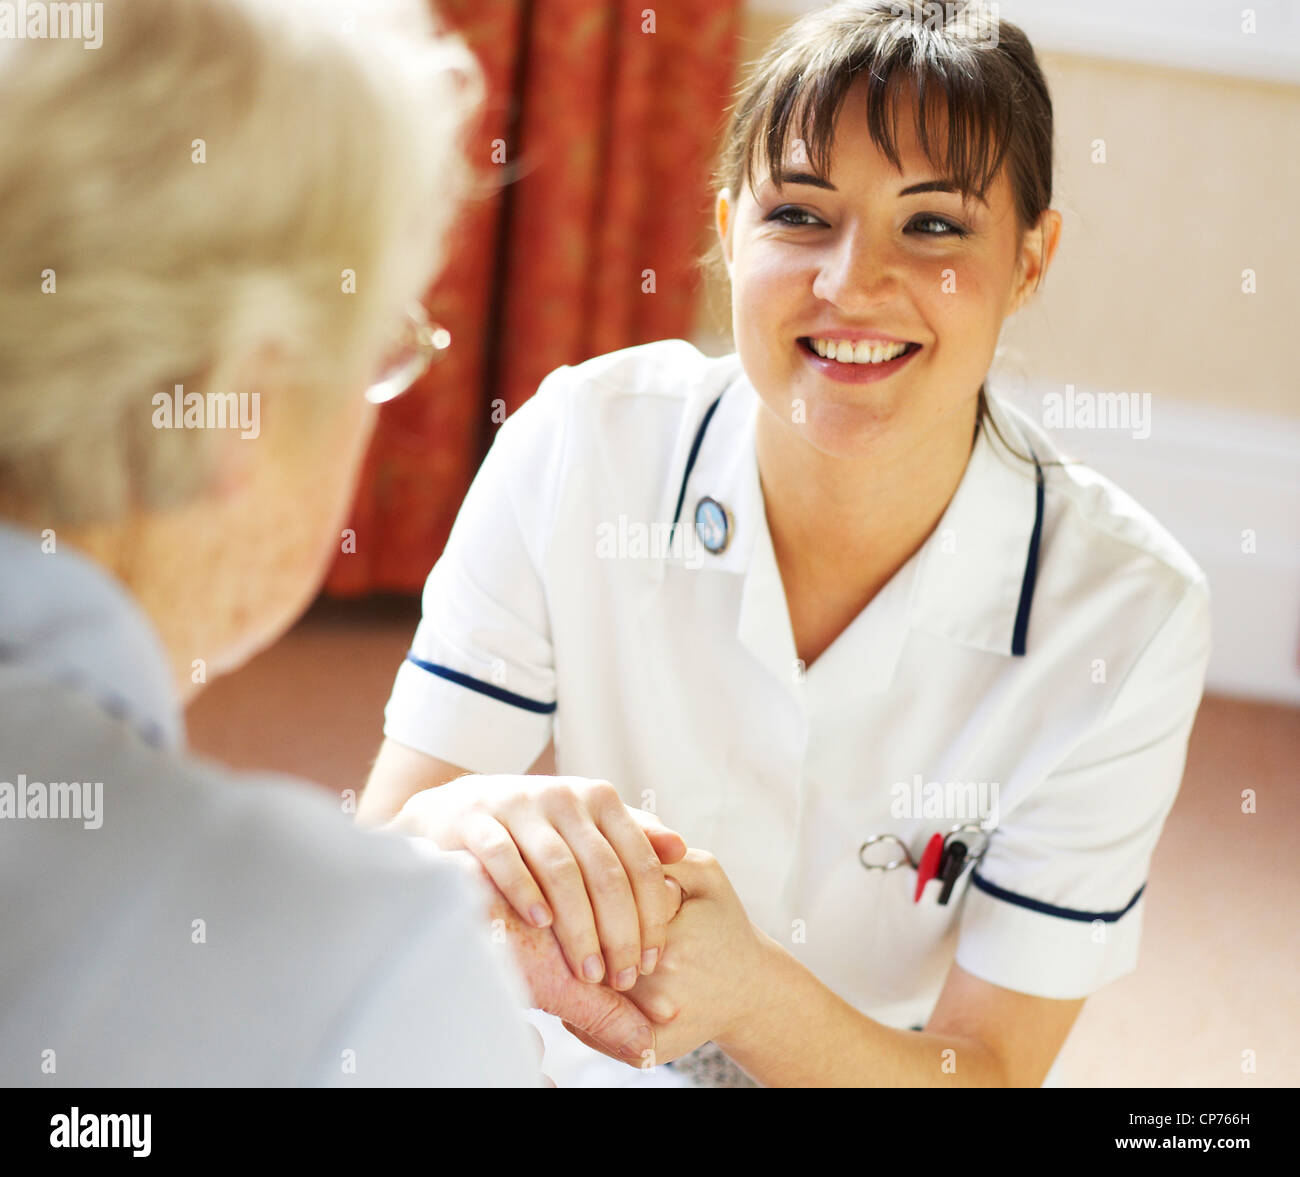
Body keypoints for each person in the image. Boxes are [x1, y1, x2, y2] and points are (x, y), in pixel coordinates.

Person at [362, 0, 1212, 1087]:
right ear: (727, 232)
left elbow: (989, 1070)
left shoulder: (1125, 614)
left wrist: (748, 989)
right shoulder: (579, 445)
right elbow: (388, 858)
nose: (851, 284)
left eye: (935, 225)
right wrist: (468, 819)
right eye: (800, 216)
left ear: (1032, 257)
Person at [0, 0, 677, 1086]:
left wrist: (376, 867)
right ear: (241, 401)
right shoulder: (370, 967)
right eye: (380, 353)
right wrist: (385, 928)